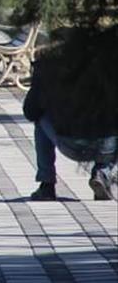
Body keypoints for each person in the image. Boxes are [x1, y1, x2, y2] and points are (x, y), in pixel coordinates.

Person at [23, 32, 117, 202]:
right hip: (106, 147)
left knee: (40, 120)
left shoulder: (48, 68)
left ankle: (46, 185)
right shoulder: (107, 68)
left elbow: (30, 111)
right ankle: (102, 172)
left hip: (69, 143)